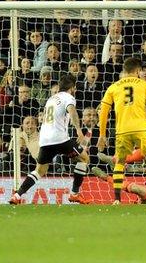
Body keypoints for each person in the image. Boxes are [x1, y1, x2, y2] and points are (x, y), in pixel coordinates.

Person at [9, 74, 92, 205]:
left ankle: (17, 195)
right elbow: (72, 111)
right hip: (60, 139)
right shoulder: (68, 97)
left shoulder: (51, 99)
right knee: (84, 158)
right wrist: (78, 130)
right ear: (72, 87)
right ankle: (74, 194)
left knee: (40, 170)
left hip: (45, 140)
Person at [97, 57, 146, 204]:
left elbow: (103, 111)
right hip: (141, 129)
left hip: (122, 130)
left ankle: (116, 200)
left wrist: (102, 135)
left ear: (124, 70)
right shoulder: (145, 85)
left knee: (120, 163)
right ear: (138, 71)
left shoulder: (113, 87)